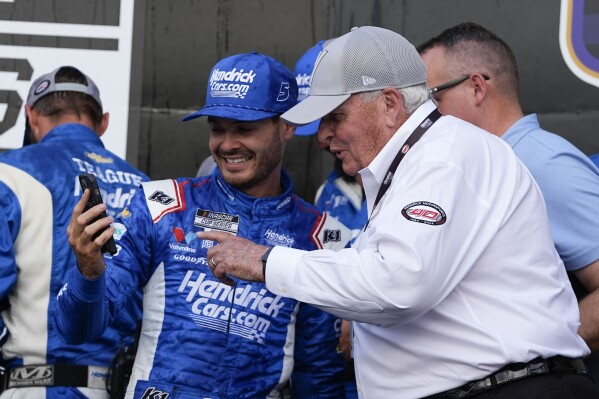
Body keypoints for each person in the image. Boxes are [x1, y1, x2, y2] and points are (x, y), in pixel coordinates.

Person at [198, 26, 599, 399]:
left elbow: (396, 285)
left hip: (507, 389)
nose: (322, 136)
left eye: (335, 117)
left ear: (390, 105)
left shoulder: (444, 157)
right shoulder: (418, 162)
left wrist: (265, 260)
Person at [56, 52, 350, 399]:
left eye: (244, 129)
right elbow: (77, 329)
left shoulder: (320, 237)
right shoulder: (160, 207)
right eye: (217, 128)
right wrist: (88, 271)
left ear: (287, 126)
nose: (227, 144)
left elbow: (319, 379)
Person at [417, 21, 599, 381]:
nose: (425, 118)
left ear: (476, 87)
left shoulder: (542, 164)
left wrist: (527, 361)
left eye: (433, 99)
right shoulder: (490, 167)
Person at [0, 66, 149, 399]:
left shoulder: (9, 174)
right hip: (119, 389)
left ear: (31, 116)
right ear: (104, 122)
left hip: (32, 386)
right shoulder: (148, 189)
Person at [294, 39, 363, 399]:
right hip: (333, 369)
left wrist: (361, 310)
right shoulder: (327, 191)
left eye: (333, 117)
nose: (322, 137)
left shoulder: (423, 177)